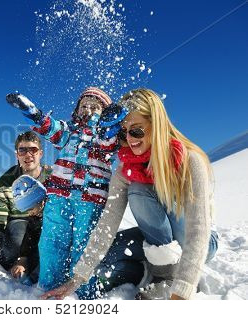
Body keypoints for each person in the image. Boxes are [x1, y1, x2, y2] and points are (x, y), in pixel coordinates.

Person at [41, 88, 219, 300]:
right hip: (153, 238)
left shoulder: (190, 161)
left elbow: (199, 230)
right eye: (124, 131)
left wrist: (183, 287)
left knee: (139, 189)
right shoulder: (125, 171)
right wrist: (77, 279)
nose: (130, 139)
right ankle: (143, 270)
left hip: (198, 240)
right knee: (104, 258)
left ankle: (165, 277)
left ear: (157, 125)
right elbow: (107, 224)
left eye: (137, 131)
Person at [6, 87, 128, 299]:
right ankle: (48, 285)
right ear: (77, 109)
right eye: (84, 105)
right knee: (52, 242)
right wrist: (34, 113)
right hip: (59, 197)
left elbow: (108, 144)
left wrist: (109, 126)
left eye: (95, 107)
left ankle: (82, 292)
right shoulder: (69, 132)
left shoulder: (106, 136)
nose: (88, 110)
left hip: (90, 201)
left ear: (104, 113)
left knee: (84, 245)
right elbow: (51, 128)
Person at [0, 131, 51, 272]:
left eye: (33, 150)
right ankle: (10, 263)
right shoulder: (4, 183)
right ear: (17, 155)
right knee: (19, 226)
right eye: (22, 150)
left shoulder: (54, 178)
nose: (28, 155)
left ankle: (38, 266)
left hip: (47, 229)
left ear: (40, 153)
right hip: (17, 235)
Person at [10, 175, 47, 286]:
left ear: (41, 200)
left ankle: (37, 276)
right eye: (26, 211)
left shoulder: (52, 212)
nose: (29, 213)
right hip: (40, 249)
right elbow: (29, 239)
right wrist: (23, 259)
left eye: (31, 209)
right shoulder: (35, 217)